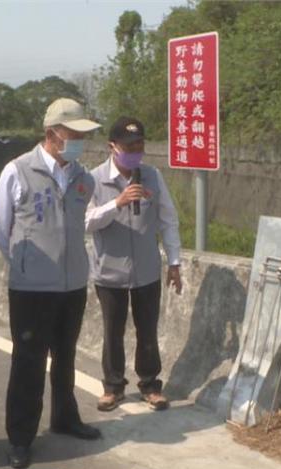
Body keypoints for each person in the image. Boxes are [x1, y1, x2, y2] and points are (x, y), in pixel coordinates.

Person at [0, 98, 102, 469]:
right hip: (31, 289)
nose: (81, 141)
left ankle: (65, 417)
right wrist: (27, 267)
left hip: (72, 286)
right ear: (53, 133)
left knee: (66, 356)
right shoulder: (18, 171)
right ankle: (20, 437)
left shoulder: (83, 178)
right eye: (75, 133)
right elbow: (0, 229)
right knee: (28, 362)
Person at [85, 117, 182, 412]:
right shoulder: (95, 179)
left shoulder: (152, 176)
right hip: (109, 271)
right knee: (113, 331)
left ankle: (150, 386)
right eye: (129, 146)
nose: (135, 151)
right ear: (113, 146)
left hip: (147, 270)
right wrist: (117, 203)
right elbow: (86, 222)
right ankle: (113, 387)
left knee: (148, 329)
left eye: (140, 144)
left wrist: (174, 261)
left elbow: (168, 219)